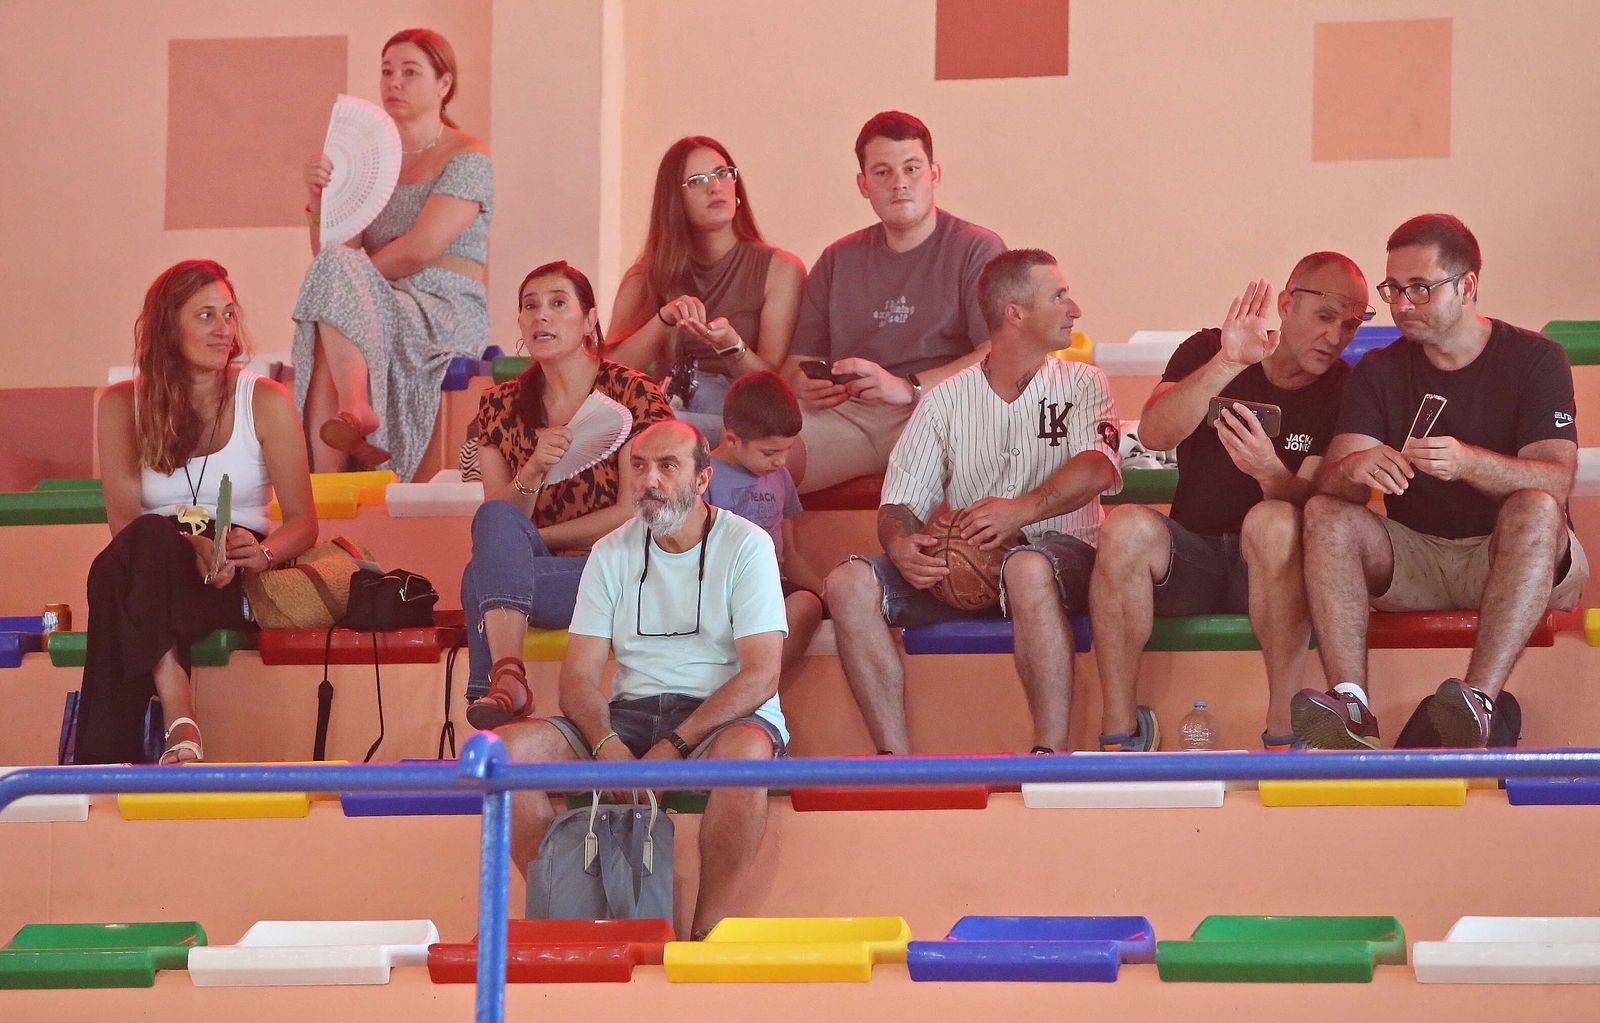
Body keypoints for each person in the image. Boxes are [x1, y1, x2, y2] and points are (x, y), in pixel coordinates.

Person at [1295, 214, 1587, 749]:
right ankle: (1351, 706)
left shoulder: (1536, 358)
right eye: (1394, 290)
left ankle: (1477, 700)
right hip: (1416, 557)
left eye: (1420, 289)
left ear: (1467, 286)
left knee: (1537, 507)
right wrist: (1353, 471)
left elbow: (1557, 479)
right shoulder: (1379, 371)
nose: (1402, 304)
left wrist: (1471, 463)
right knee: (1324, 514)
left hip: (1514, 552)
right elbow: (1332, 486)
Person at [497, 420, 789, 938]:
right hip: (629, 718)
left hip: (720, 718)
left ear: (703, 480)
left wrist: (673, 748)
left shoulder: (748, 545)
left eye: (667, 466)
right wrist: (608, 746)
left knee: (746, 754)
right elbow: (579, 679)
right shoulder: (610, 551)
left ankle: (707, 930)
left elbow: (762, 673)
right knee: (503, 754)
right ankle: (573, 915)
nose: (649, 479)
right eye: (639, 465)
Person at [826, 249, 1120, 755]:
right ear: (1015, 313)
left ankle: (1049, 755)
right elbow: (898, 504)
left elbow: (1097, 466)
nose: (1074, 309)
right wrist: (901, 546)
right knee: (847, 582)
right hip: (970, 564)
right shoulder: (944, 400)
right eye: (1060, 296)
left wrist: (1020, 511)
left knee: (1026, 567)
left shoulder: (1084, 383)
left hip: (1063, 557)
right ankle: (894, 764)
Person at [1089, 256, 1369, 751]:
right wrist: (1228, 363)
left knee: (1274, 519)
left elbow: (1314, 495)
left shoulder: (1343, 387)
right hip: (1192, 555)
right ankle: (1120, 732)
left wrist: (1269, 472)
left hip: (1266, 566)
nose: (1336, 336)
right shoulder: (1208, 347)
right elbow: (1154, 433)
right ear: (1286, 304)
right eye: (1326, 317)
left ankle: (1284, 730)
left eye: (1350, 324)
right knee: (1126, 527)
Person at [80, 260, 317, 764]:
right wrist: (190, 543)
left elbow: (303, 522)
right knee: (139, 545)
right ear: (169, 326)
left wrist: (262, 553)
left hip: (232, 572)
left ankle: (101, 765)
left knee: (111, 578)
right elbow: (123, 523)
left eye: (229, 314)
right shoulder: (122, 405)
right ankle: (178, 713)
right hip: (156, 556)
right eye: (205, 315)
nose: (223, 329)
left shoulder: (266, 400)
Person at [461, 262, 673, 729]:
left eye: (558, 304)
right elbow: (499, 517)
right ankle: (509, 680)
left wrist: (535, 537)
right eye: (530, 307)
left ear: (590, 319)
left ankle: (496, 696)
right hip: (545, 568)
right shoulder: (498, 405)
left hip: (622, 568)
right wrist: (534, 467)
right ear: (519, 323)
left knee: (482, 576)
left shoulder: (630, 394)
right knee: (494, 521)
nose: (542, 317)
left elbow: (631, 513)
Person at [296, 27, 494, 481]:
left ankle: (347, 431)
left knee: (338, 303)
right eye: (386, 72)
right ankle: (328, 479)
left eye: (409, 72)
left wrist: (352, 284)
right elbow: (332, 254)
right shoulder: (370, 158)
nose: (393, 83)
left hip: (446, 306)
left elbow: (422, 250)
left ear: (443, 84)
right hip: (381, 299)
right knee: (333, 316)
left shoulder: (467, 157)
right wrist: (318, 200)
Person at [782, 111, 1006, 493]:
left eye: (912, 168)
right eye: (883, 173)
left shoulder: (977, 249)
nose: (900, 184)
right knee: (757, 455)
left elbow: (1000, 353)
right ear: (863, 184)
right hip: (850, 416)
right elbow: (794, 367)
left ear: (934, 174)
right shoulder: (838, 259)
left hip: (945, 413)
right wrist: (806, 387)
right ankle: (770, 553)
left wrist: (909, 387)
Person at [606, 136, 806, 442]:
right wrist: (663, 320)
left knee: (657, 433)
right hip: (673, 409)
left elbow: (774, 388)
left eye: (723, 173)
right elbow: (610, 376)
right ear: (675, 200)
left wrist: (731, 346)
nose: (715, 186)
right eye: (697, 181)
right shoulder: (646, 275)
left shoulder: (781, 269)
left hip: (740, 422)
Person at [707, 371, 827, 674]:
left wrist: (826, 593)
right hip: (720, 591)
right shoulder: (702, 478)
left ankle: (750, 684)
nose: (782, 461)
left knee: (808, 604)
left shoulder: (780, 477)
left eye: (787, 449)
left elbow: (789, 556)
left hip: (769, 588)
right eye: (770, 452)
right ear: (732, 440)